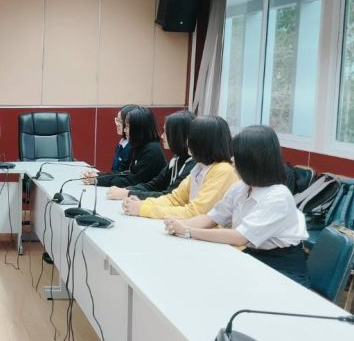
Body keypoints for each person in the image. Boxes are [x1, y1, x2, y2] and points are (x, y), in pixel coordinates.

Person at [163, 125, 309, 285]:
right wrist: (180, 224)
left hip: (283, 270)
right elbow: (212, 218)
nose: (232, 160)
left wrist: (188, 231)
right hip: (254, 257)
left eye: (237, 156)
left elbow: (239, 237)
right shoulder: (241, 187)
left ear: (252, 160)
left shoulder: (278, 196)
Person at [121, 115, 238, 219]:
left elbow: (194, 212)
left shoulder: (223, 170)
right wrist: (144, 203)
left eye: (190, 137)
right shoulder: (200, 167)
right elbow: (175, 199)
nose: (187, 142)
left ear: (203, 141)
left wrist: (143, 209)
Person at [106, 110, 195, 201]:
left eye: (166, 132)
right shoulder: (177, 158)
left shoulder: (192, 165)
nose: (162, 136)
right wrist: (126, 190)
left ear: (178, 135)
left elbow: (169, 196)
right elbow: (154, 185)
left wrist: (128, 193)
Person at [84, 106, 166, 188]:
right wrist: (99, 175)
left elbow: (132, 182)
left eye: (127, 126)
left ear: (138, 129)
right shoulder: (140, 146)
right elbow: (125, 174)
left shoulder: (151, 152)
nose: (124, 130)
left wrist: (98, 180)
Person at [110, 104, 140, 173]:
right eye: (116, 120)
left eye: (120, 121)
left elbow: (122, 173)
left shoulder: (132, 146)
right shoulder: (122, 142)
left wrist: (99, 177)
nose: (117, 124)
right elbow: (115, 171)